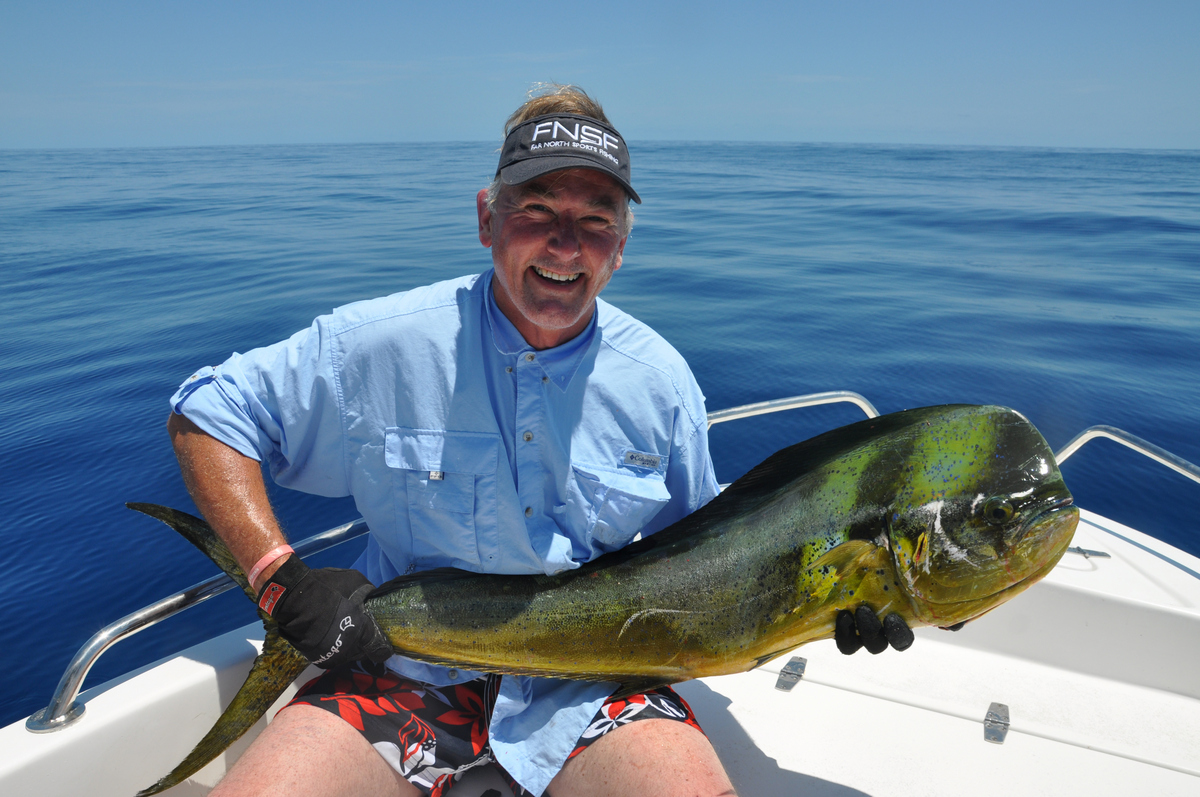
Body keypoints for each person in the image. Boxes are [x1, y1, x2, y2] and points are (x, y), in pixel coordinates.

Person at [167, 84, 907, 797]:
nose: (565, 243)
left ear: (621, 243)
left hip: (589, 684)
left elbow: (712, 558)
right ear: (488, 217)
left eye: (595, 218)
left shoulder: (660, 381)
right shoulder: (378, 343)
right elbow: (207, 412)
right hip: (400, 667)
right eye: (537, 208)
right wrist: (277, 576)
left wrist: (838, 597)